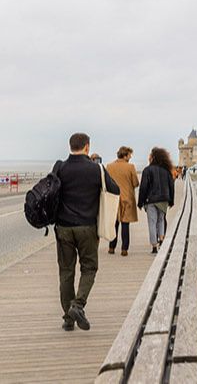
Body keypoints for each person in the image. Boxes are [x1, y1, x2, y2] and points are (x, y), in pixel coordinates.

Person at [55, 132, 120, 331]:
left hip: (63, 227)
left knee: (66, 272)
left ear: (70, 146)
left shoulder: (60, 167)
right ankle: (78, 304)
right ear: (87, 147)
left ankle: (68, 319)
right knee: (89, 268)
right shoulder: (96, 169)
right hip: (87, 227)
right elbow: (115, 190)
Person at [138, 147, 175, 254]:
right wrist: (171, 200)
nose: (148, 157)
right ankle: (162, 240)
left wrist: (140, 202)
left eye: (150, 155)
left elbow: (143, 187)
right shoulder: (166, 171)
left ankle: (154, 246)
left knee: (152, 222)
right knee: (161, 220)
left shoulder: (147, 170)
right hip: (163, 199)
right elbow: (171, 186)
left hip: (151, 200)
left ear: (153, 157)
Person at [106, 146, 140, 256]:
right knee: (125, 225)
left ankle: (111, 247)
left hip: (113, 198)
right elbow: (135, 183)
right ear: (125, 155)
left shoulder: (109, 166)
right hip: (127, 199)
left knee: (114, 224)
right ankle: (124, 249)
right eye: (130, 155)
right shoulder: (130, 167)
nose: (130, 157)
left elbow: (106, 183)